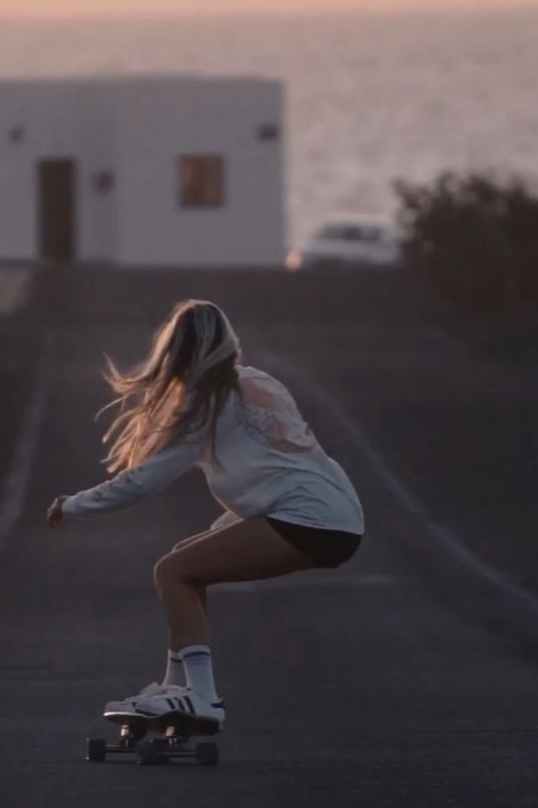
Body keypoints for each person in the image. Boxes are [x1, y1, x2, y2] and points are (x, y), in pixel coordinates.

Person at [46, 298, 364, 726]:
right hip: (340, 517)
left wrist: (72, 504)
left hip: (305, 519)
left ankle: (202, 697)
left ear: (176, 353)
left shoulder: (204, 404)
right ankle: (177, 686)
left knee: (172, 571)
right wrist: (223, 532)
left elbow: (141, 481)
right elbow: (275, 467)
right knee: (185, 560)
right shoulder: (259, 383)